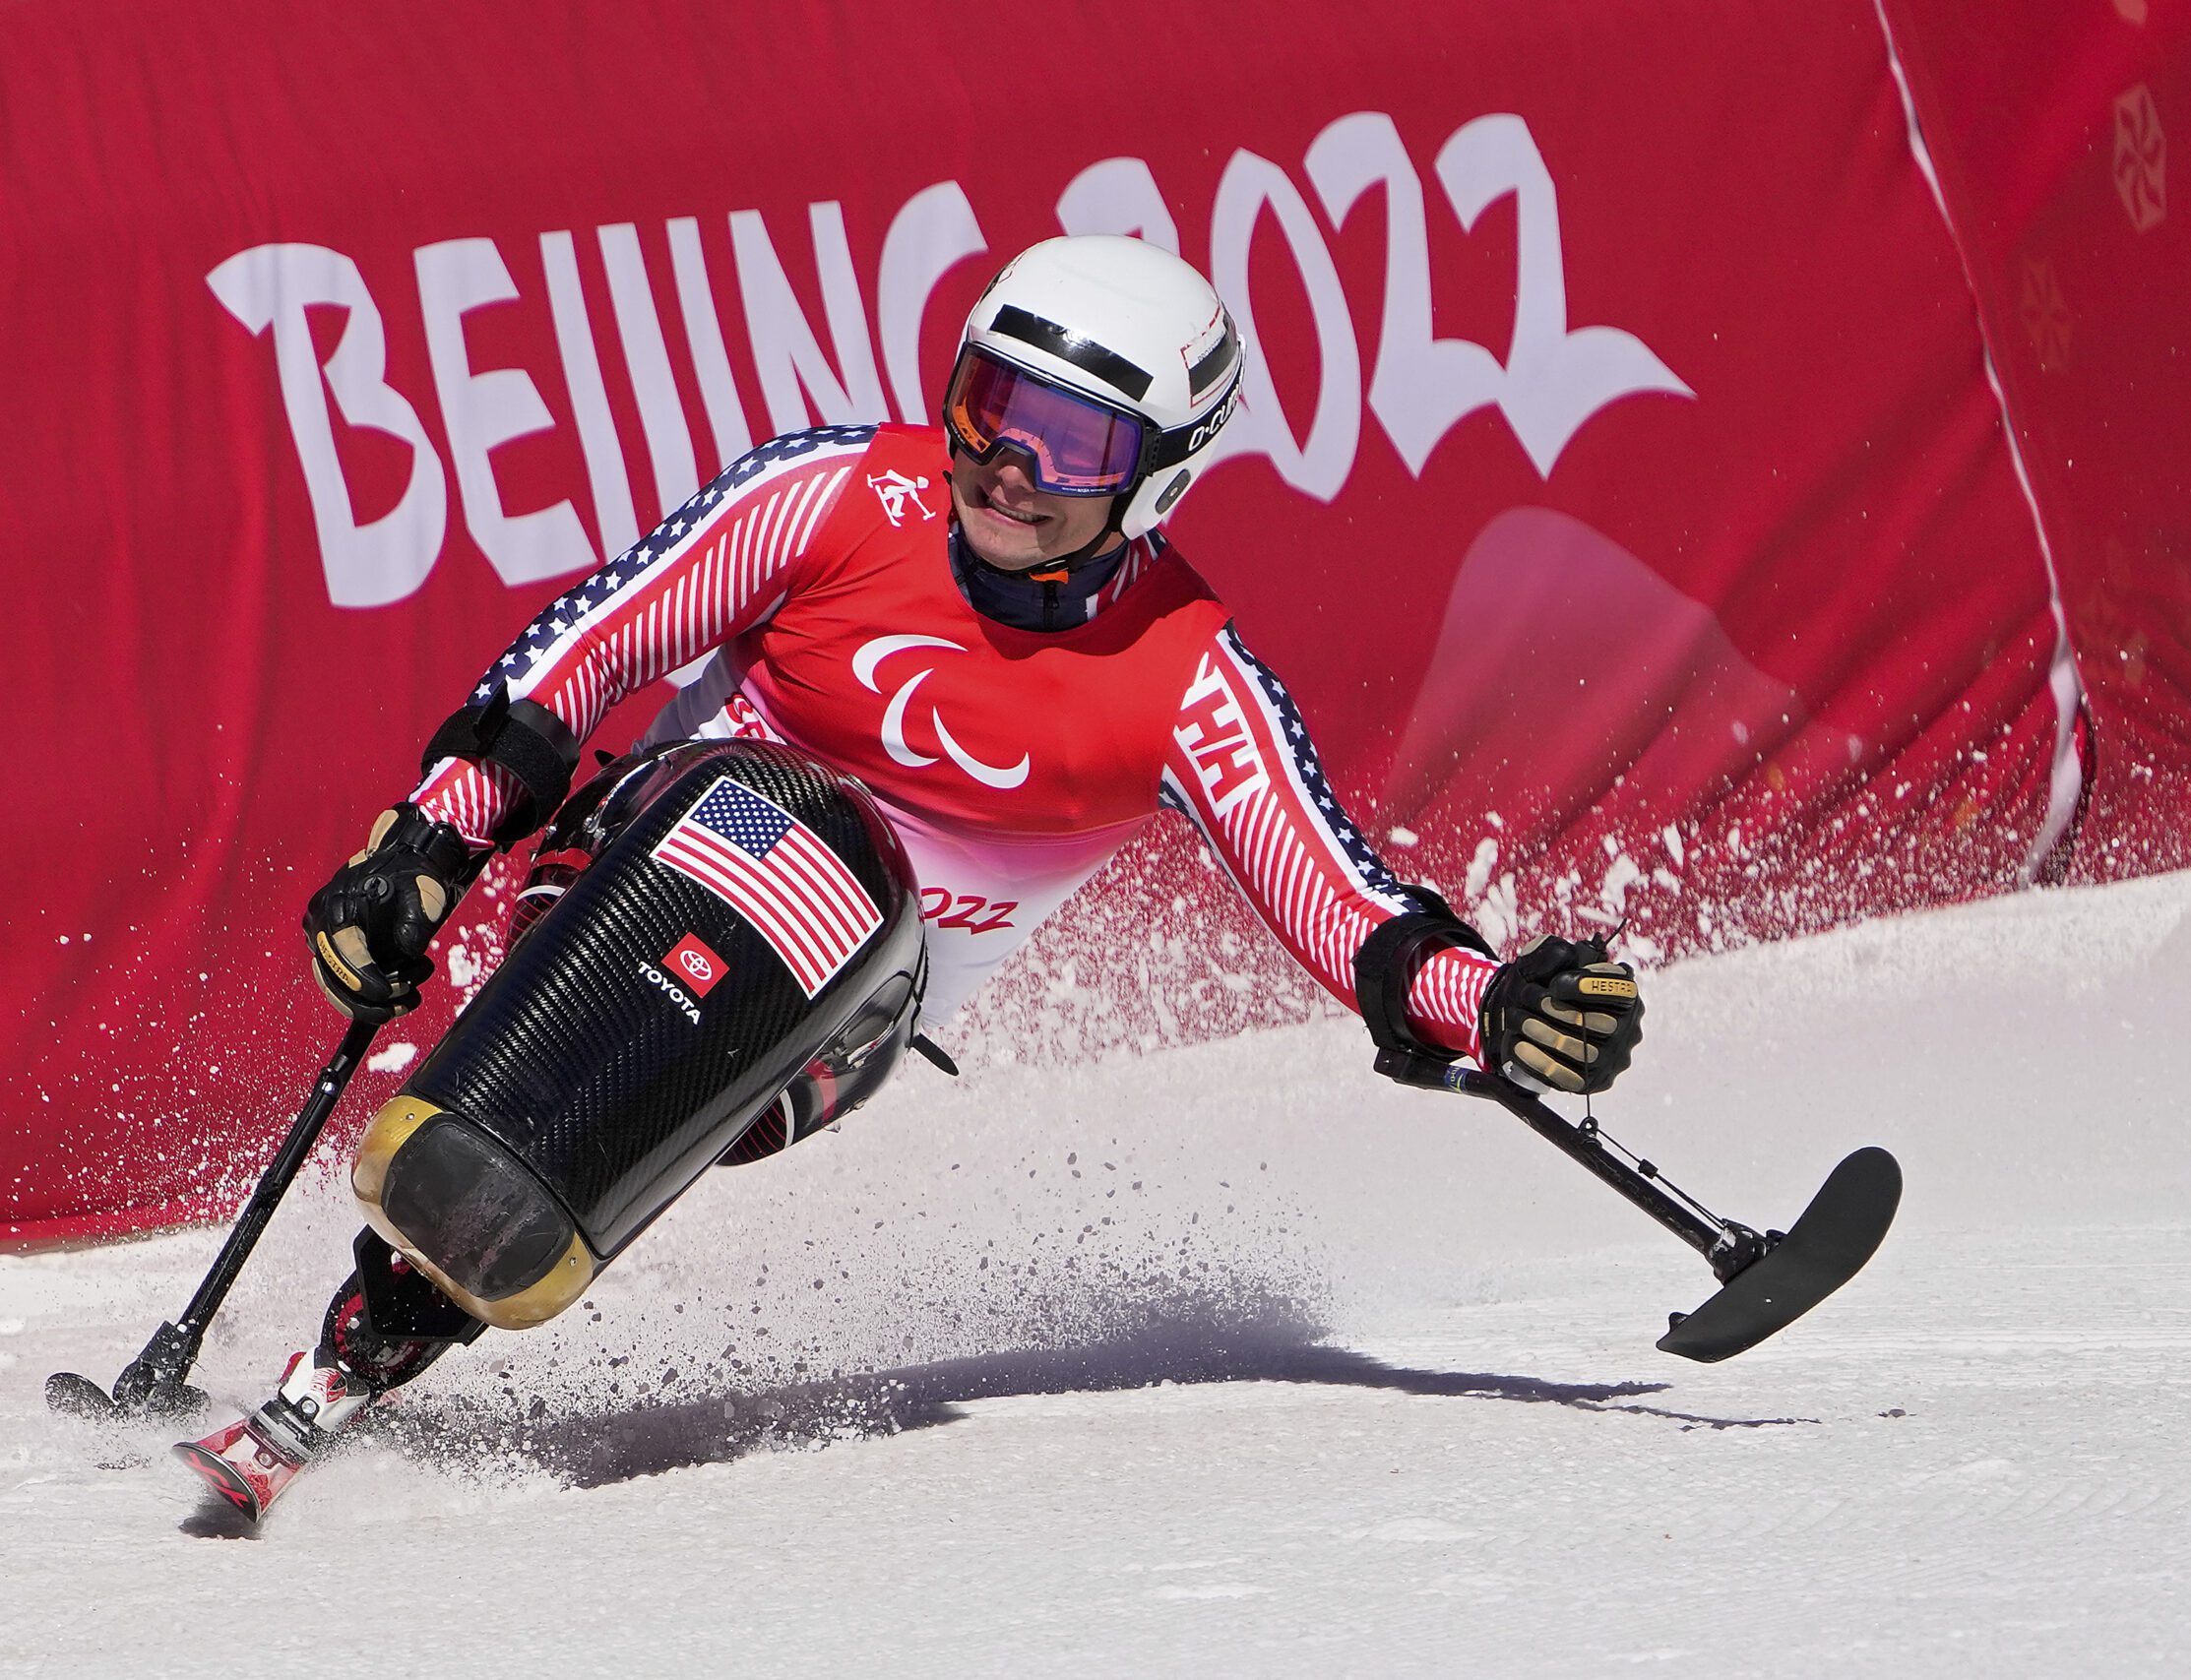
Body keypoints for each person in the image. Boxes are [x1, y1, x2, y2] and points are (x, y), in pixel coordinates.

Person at [176, 235, 1646, 1522]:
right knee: (781, 827)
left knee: (836, 881)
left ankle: (405, 1297)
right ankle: (367, 1339)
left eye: (1070, 445)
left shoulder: (1190, 676)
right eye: (992, 406)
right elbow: (593, 646)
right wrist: (431, 840)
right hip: (647, 853)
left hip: (845, 1023)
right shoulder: (834, 495)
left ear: (1161, 474)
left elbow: (1340, 901)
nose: (1009, 464)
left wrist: (1489, 995)